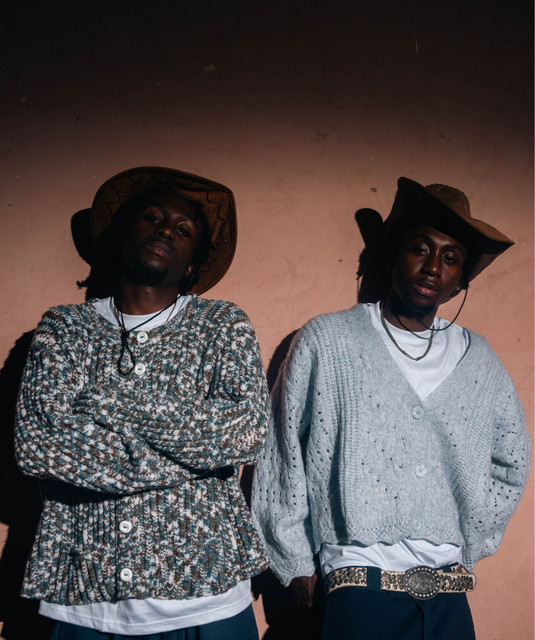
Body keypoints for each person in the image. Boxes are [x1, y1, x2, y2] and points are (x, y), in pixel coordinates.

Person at [252, 177, 531, 640]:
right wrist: (296, 562)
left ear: (461, 279)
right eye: (420, 249)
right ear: (393, 253)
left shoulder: (479, 360)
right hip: (358, 589)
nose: (432, 267)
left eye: (450, 258)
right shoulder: (329, 340)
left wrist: (472, 542)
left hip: (448, 595)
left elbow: (513, 461)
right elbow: (281, 452)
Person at [15, 166, 269, 640]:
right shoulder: (64, 328)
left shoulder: (221, 323)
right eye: (152, 218)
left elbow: (245, 432)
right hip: (85, 595)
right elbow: (39, 446)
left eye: (183, 230)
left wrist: (109, 401)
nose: (165, 231)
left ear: (193, 264)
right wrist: (195, 459)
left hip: (208, 594)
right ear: (122, 236)